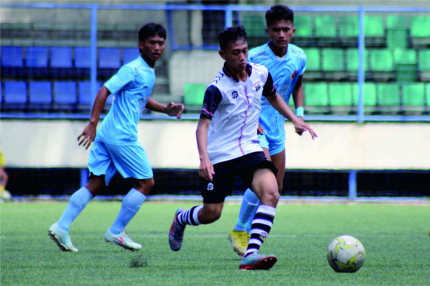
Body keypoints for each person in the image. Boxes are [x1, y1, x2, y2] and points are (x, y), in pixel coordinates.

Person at [168, 26, 316, 270]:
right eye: (235, 52)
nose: (242, 56)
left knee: (272, 192)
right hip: (220, 156)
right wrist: (204, 158)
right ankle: (181, 218)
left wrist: (294, 118)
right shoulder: (216, 88)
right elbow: (202, 127)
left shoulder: (260, 73)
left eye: (245, 50)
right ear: (222, 54)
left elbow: (274, 97)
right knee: (211, 213)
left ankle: (252, 252)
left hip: (250, 149)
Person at [48, 23, 184, 252]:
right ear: (141, 45)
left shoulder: (147, 71)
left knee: (96, 183)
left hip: (108, 134)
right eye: (152, 42)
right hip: (120, 136)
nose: (157, 47)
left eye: (161, 43)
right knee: (146, 183)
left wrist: (165, 109)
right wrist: (92, 123)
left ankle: (61, 226)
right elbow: (104, 91)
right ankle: (116, 231)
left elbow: (142, 97)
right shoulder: (134, 68)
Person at [228, 5, 309, 256]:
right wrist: (249, 119)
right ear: (267, 31)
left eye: (286, 29)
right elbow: (237, 86)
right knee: (264, 182)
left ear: (293, 31)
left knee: (277, 187)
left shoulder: (299, 57)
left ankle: (249, 231)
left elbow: (297, 83)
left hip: (277, 126)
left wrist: (299, 115)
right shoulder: (252, 57)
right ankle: (241, 230)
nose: (281, 34)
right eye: (276, 30)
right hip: (254, 125)